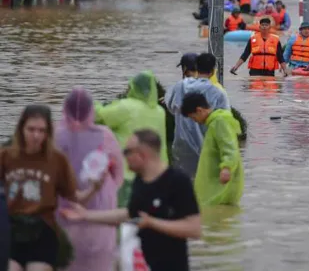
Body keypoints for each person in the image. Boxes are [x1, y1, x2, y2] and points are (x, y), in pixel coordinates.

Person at [60, 129, 202, 271]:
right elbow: (130, 214)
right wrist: (85, 215)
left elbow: (194, 229)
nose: (123, 156)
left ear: (142, 154)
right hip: (143, 264)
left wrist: (153, 223)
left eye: (127, 152)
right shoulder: (140, 180)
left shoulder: (178, 181)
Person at [3, 105, 105, 271]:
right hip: (12, 230)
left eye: (42, 131)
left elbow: (76, 198)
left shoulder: (57, 160)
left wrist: (94, 188)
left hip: (43, 231)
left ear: (48, 132)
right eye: (31, 129)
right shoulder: (6, 156)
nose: (36, 136)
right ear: (21, 128)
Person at [55, 88, 125, 271]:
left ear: (64, 110)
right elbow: (119, 175)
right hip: (99, 215)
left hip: (63, 212)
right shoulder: (105, 135)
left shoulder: (53, 134)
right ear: (91, 111)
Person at [95, 71, 168, 206]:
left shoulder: (126, 107)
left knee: (124, 213)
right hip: (157, 173)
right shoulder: (160, 111)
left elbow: (99, 116)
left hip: (128, 172)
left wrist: (97, 105)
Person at [166, 54, 230, 178]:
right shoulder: (218, 93)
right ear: (212, 72)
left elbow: (170, 107)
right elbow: (226, 123)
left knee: (182, 189)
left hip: (181, 147)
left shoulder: (180, 86)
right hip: (206, 150)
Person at [180, 93, 243, 206]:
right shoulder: (214, 122)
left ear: (199, 110)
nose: (195, 121)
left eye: (193, 117)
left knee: (217, 217)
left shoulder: (219, 122)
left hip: (220, 184)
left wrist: (226, 167)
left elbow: (229, 147)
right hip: (216, 182)